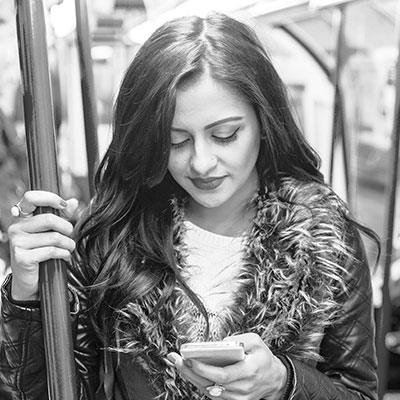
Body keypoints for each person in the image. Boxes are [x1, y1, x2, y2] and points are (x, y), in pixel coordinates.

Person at [0, 12, 379, 400]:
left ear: (264, 122)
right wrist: (26, 296)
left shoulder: (324, 237)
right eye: (176, 141)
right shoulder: (114, 235)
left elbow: (358, 393)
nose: (201, 163)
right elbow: (54, 391)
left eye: (225, 135)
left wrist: (283, 381)